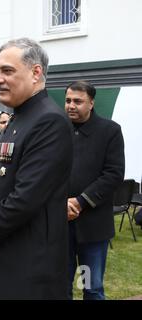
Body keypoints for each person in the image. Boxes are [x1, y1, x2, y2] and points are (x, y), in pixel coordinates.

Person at [0, 38, 73, 299]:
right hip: (5, 252)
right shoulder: (19, 117)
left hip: (28, 265)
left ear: (36, 73)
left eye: (7, 71)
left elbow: (25, 198)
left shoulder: (49, 121)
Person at [64, 80, 125, 300]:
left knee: (90, 287)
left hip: (92, 228)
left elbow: (113, 174)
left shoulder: (109, 131)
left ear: (91, 103)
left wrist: (80, 201)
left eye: (77, 101)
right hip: (60, 227)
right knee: (61, 287)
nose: (71, 105)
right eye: (68, 100)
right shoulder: (58, 130)